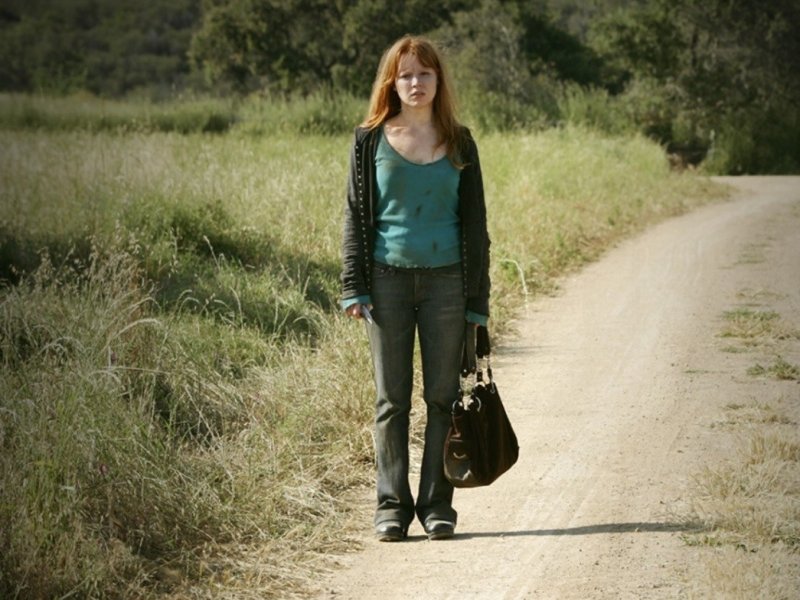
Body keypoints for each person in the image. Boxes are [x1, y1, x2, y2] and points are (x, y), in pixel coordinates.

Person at [340, 35, 491, 542]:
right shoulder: (369, 140)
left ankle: (436, 505)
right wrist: (353, 286)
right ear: (392, 82)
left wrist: (478, 303)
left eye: (425, 73)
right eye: (405, 74)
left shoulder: (460, 141)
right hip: (386, 282)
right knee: (392, 401)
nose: (415, 83)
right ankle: (391, 507)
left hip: (449, 282)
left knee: (443, 398)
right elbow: (355, 216)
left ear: (438, 80)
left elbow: (476, 225)